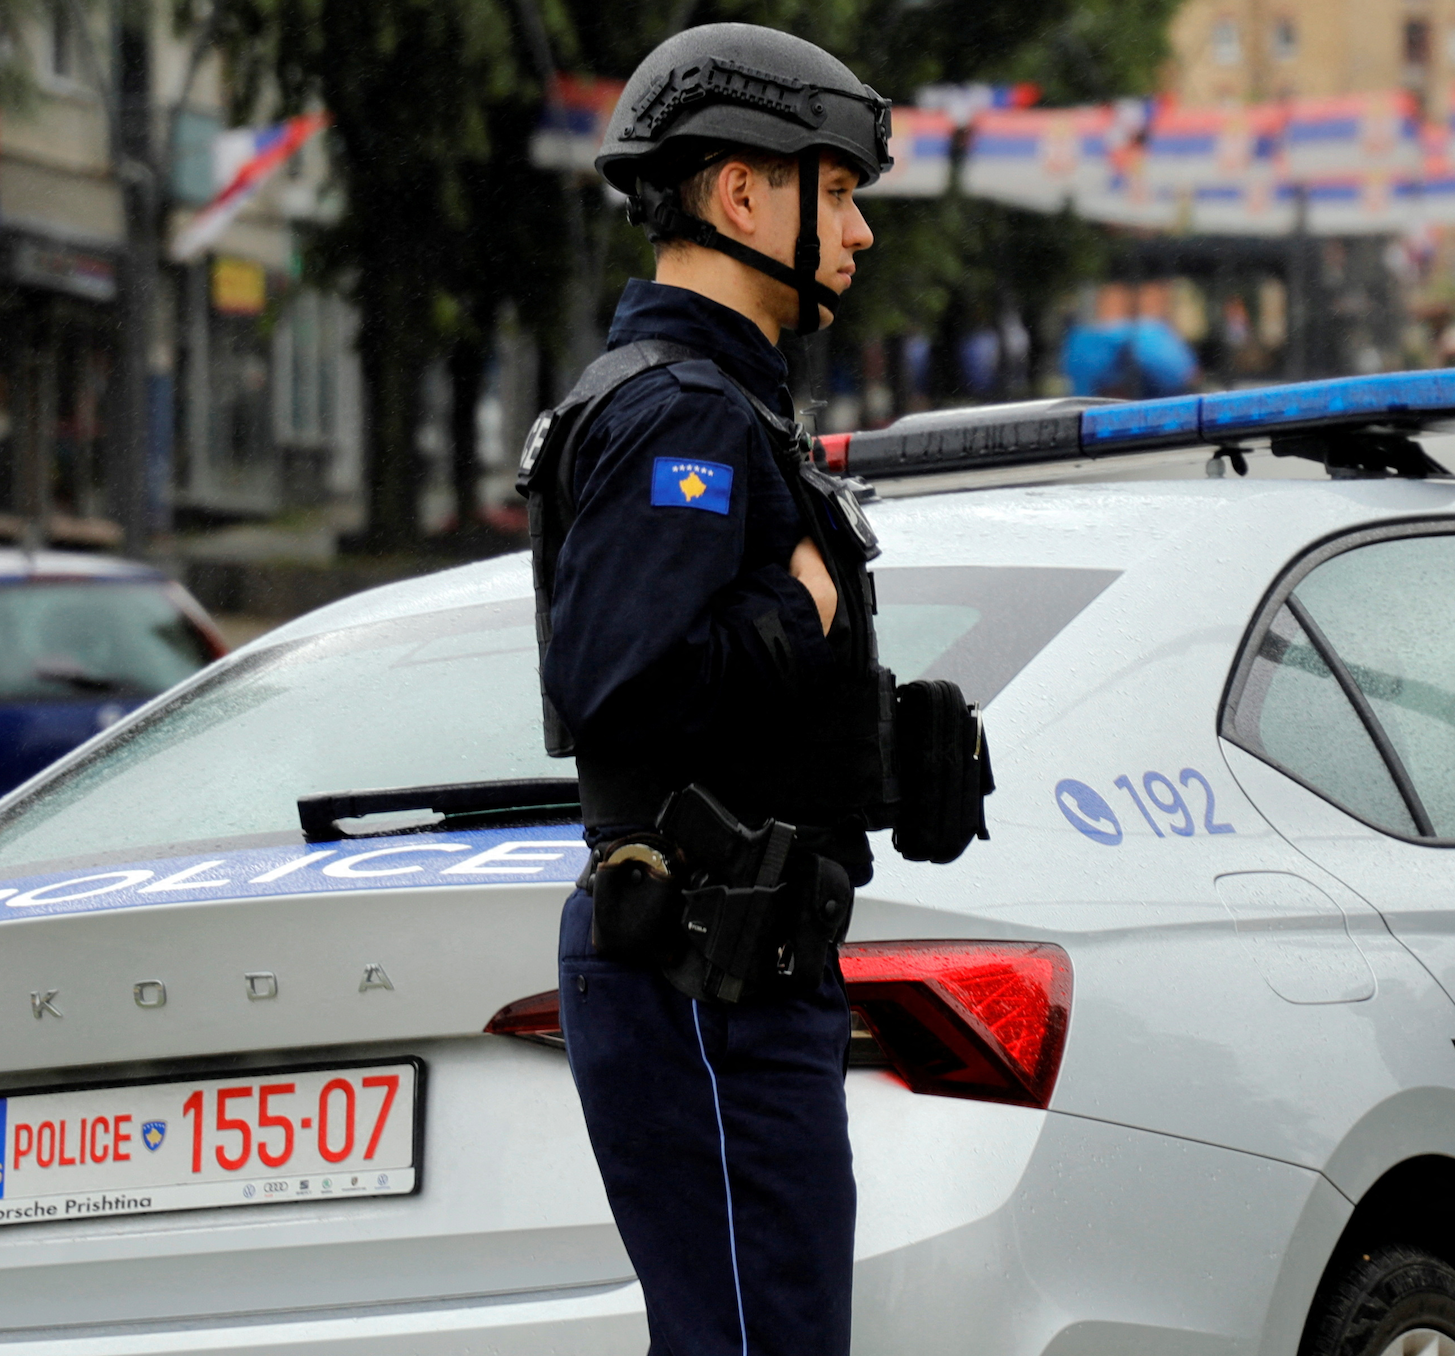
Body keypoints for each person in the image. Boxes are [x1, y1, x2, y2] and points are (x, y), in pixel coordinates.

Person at [523, 23, 891, 1356]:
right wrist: (796, 612)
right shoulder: (682, 413)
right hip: (700, 972)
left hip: (738, 966)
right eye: (837, 192)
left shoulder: (718, 406)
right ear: (744, 193)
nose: (856, 233)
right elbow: (619, 688)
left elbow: (714, 700)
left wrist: (888, 742)